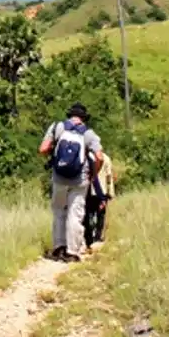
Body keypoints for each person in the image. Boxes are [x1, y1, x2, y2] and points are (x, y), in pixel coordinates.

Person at [39, 103, 101, 262]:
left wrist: (54, 157)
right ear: (84, 118)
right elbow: (99, 157)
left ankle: (59, 247)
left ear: (70, 115)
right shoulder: (88, 133)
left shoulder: (57, 127)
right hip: (79, 179)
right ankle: (72, 251)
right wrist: (93, 175)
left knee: (59, 211)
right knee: (76, 213)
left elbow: (43, 149)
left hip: (59, 177)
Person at [85, 149, 115, 247]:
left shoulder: (88, 157)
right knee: (100, 215)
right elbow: (109, 177)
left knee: (88, 214)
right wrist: (111, 192)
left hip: (89, 191)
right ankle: (97, 237)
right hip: (102, 191)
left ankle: (88, 238)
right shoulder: (106, 158)